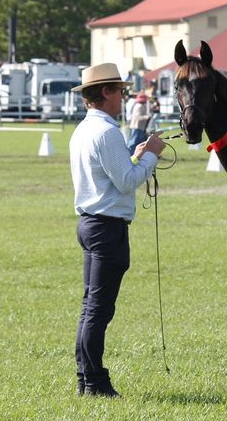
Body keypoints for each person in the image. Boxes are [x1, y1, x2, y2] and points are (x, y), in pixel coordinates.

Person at [69, 63, 166, 398]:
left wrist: (135, 155)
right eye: (120, 91)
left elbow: (114, 170)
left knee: (91, 306)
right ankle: (95, 381)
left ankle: (86, 378)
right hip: (107, 228)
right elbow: (127, 181)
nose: (124, 98)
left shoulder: (84, 129)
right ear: (106, 92)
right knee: (99, 310)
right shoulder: (108, 132)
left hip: (90, 223)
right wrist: (150, 156)